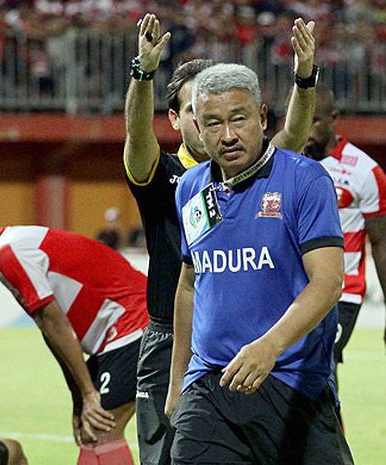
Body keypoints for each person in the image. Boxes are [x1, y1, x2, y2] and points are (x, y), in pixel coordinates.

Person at [123, 13, 317, 465]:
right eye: (196, 112)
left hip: (245, 337)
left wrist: (304, 80)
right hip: (172, 336)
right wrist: (144, 72)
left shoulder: (251, 171)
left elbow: (292, 137)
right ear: (176, 118)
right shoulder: (165, 175)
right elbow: (136, 135)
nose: (212, 124)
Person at [165, 63, 353, 464]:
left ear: (262, 117)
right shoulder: (191, 189)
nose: (228, 135)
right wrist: (178, 381)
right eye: (212, 123)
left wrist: (270, 346)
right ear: (196, 126)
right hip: (209, 389)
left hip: (291, 382)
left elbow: (328, 282)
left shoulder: (306, 180)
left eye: (239, 119)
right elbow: (188, 284)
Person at [0, 207, 149, 465]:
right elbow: (50, 333)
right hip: (122, 332)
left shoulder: (9, 254)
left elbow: (56, 324)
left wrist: (89, 394)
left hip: (134, 325)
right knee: (92, 431)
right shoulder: (10, 251)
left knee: (101, 430)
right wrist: (78, 397)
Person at [303, 83, 386, 389]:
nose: (307, 130)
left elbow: (381, 244)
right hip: (295, 289)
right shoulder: (287, 162)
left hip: (342, 293)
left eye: (315, 120)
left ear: (333, 118)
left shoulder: (365, 171)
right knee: (316, 384)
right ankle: (329, 436)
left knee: (313, 366)